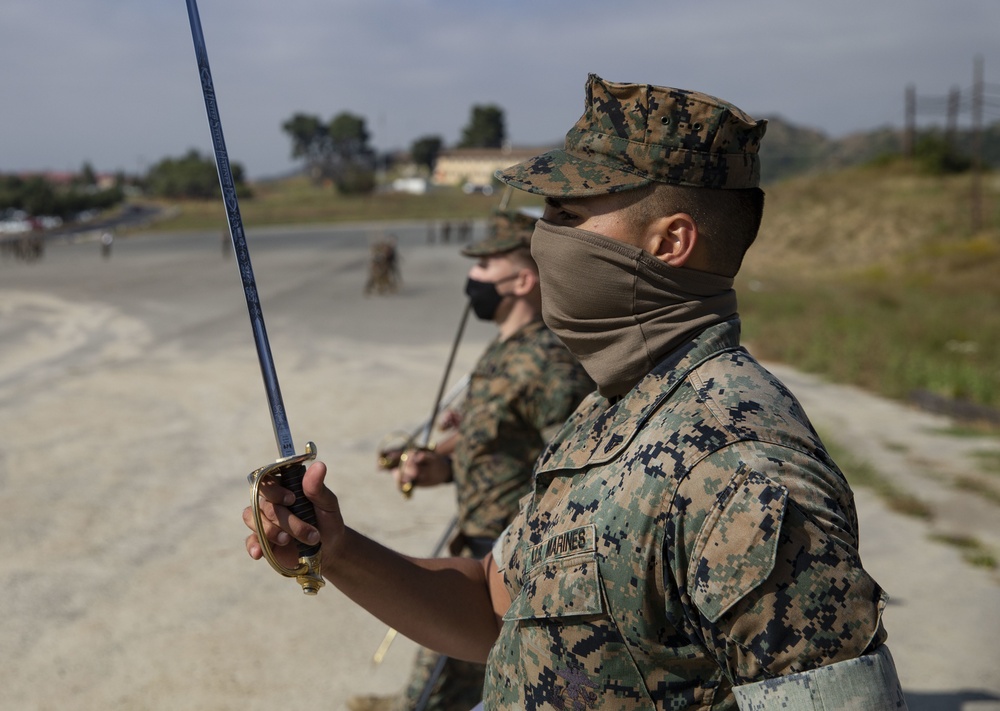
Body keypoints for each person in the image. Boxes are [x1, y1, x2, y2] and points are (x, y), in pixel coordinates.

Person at [244, 75, 908, 710]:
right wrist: (336, 547)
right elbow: (495, 609)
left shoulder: (744, 473)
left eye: (567, 214)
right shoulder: (608, 412)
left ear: (670, 241)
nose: (544, 240)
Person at [351, 209, 595, 711]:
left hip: (514, 565)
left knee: (447, 685)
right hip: (480, 546)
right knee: (443, 678)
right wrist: (437, 466)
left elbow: (577, 477)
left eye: (484, 267)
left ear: (524, 279)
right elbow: (491, 448)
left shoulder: (550, 364)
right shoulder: (503, 352)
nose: (472, 278)